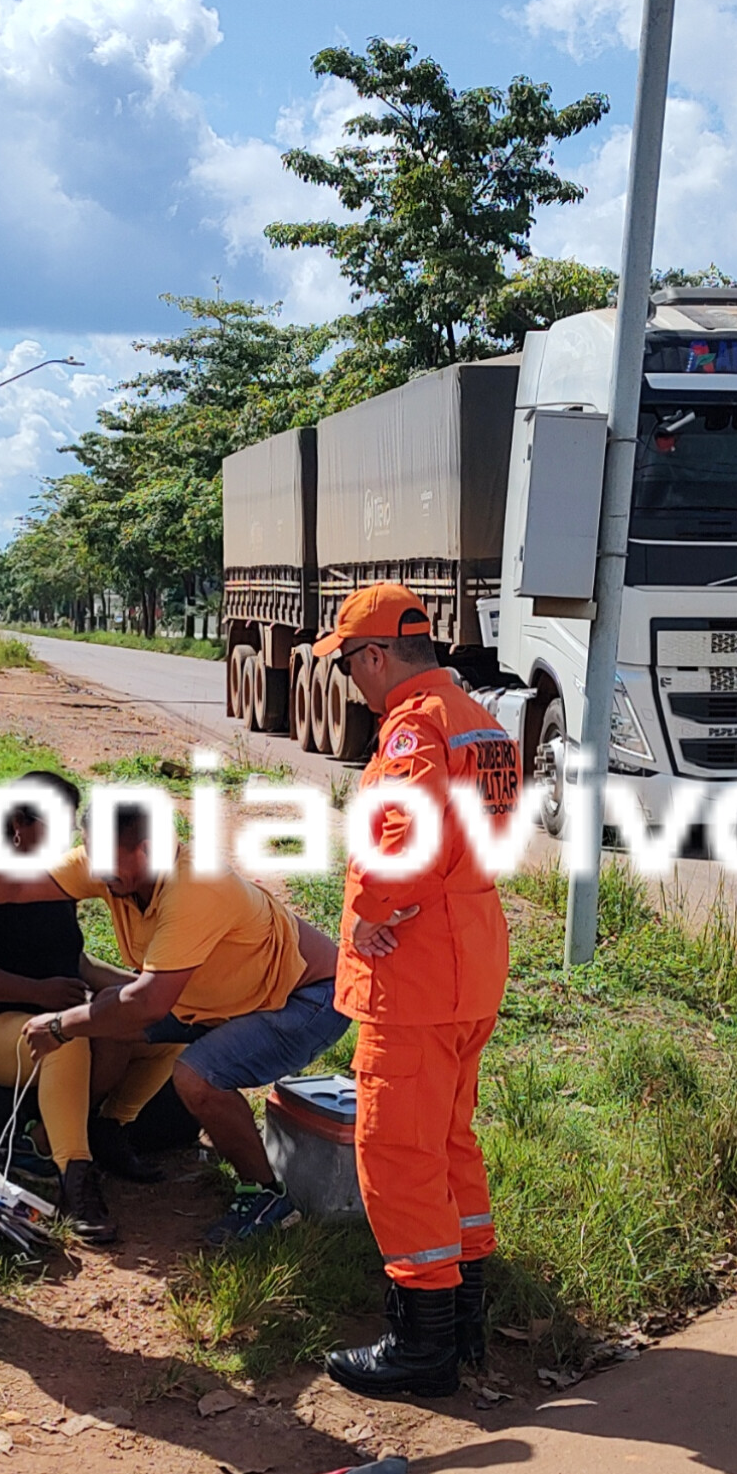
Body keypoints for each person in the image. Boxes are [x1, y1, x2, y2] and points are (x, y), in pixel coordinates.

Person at [0, 800, 350, 1244]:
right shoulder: (109, 859)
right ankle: (104, 1130)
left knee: (198, 1076)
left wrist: (62, 1024)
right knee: (108, 1017)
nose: (98, 872)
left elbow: (149, 1003)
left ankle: (268, 1197)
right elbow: (14, 887)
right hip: (231, 995)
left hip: (308, 998)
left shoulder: (197, 888)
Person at [317, 583, 520, 1400]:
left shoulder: (411, 729)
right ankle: (466, 1316)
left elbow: (402, 834)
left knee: (399, 1151)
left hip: (416, 972)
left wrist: (370, 911)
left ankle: (422, 1348)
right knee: (448, 1141)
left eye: (348, 665)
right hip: (471, 961)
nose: (351, 683)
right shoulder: (480, 721)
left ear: (374, 656)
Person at [0, 773, 177, 1244]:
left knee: (165, 1029)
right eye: (59, 823)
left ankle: (103, 1131)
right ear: (20, 825)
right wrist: (39, 992)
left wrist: (149, 989)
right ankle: (76, 1182)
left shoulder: (56, 886)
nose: (69, 838)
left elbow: (79, 963)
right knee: (64, 1038)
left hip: (50, 1016)